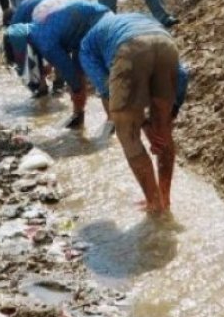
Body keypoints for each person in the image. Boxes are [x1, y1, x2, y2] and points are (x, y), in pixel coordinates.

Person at [79, 13, 189, 212]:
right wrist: (169, 113)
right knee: (163, 130)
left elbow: (107, 90)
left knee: (127, 132)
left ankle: (154, 204)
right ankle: (165, 197)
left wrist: (140, 123)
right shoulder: (132, 20)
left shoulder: (86, 47)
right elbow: (182, 74)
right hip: (166, 43)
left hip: (130, 49)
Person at [3, 0, 110, 129]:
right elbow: (61, 40)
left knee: (98, 76)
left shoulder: (45, 43)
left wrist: (76, 91)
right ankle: (79, 115)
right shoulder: (36, 27)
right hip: (89, 21)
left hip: (99, 22)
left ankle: (112, 121)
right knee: (79, 72)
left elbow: (69, 72)